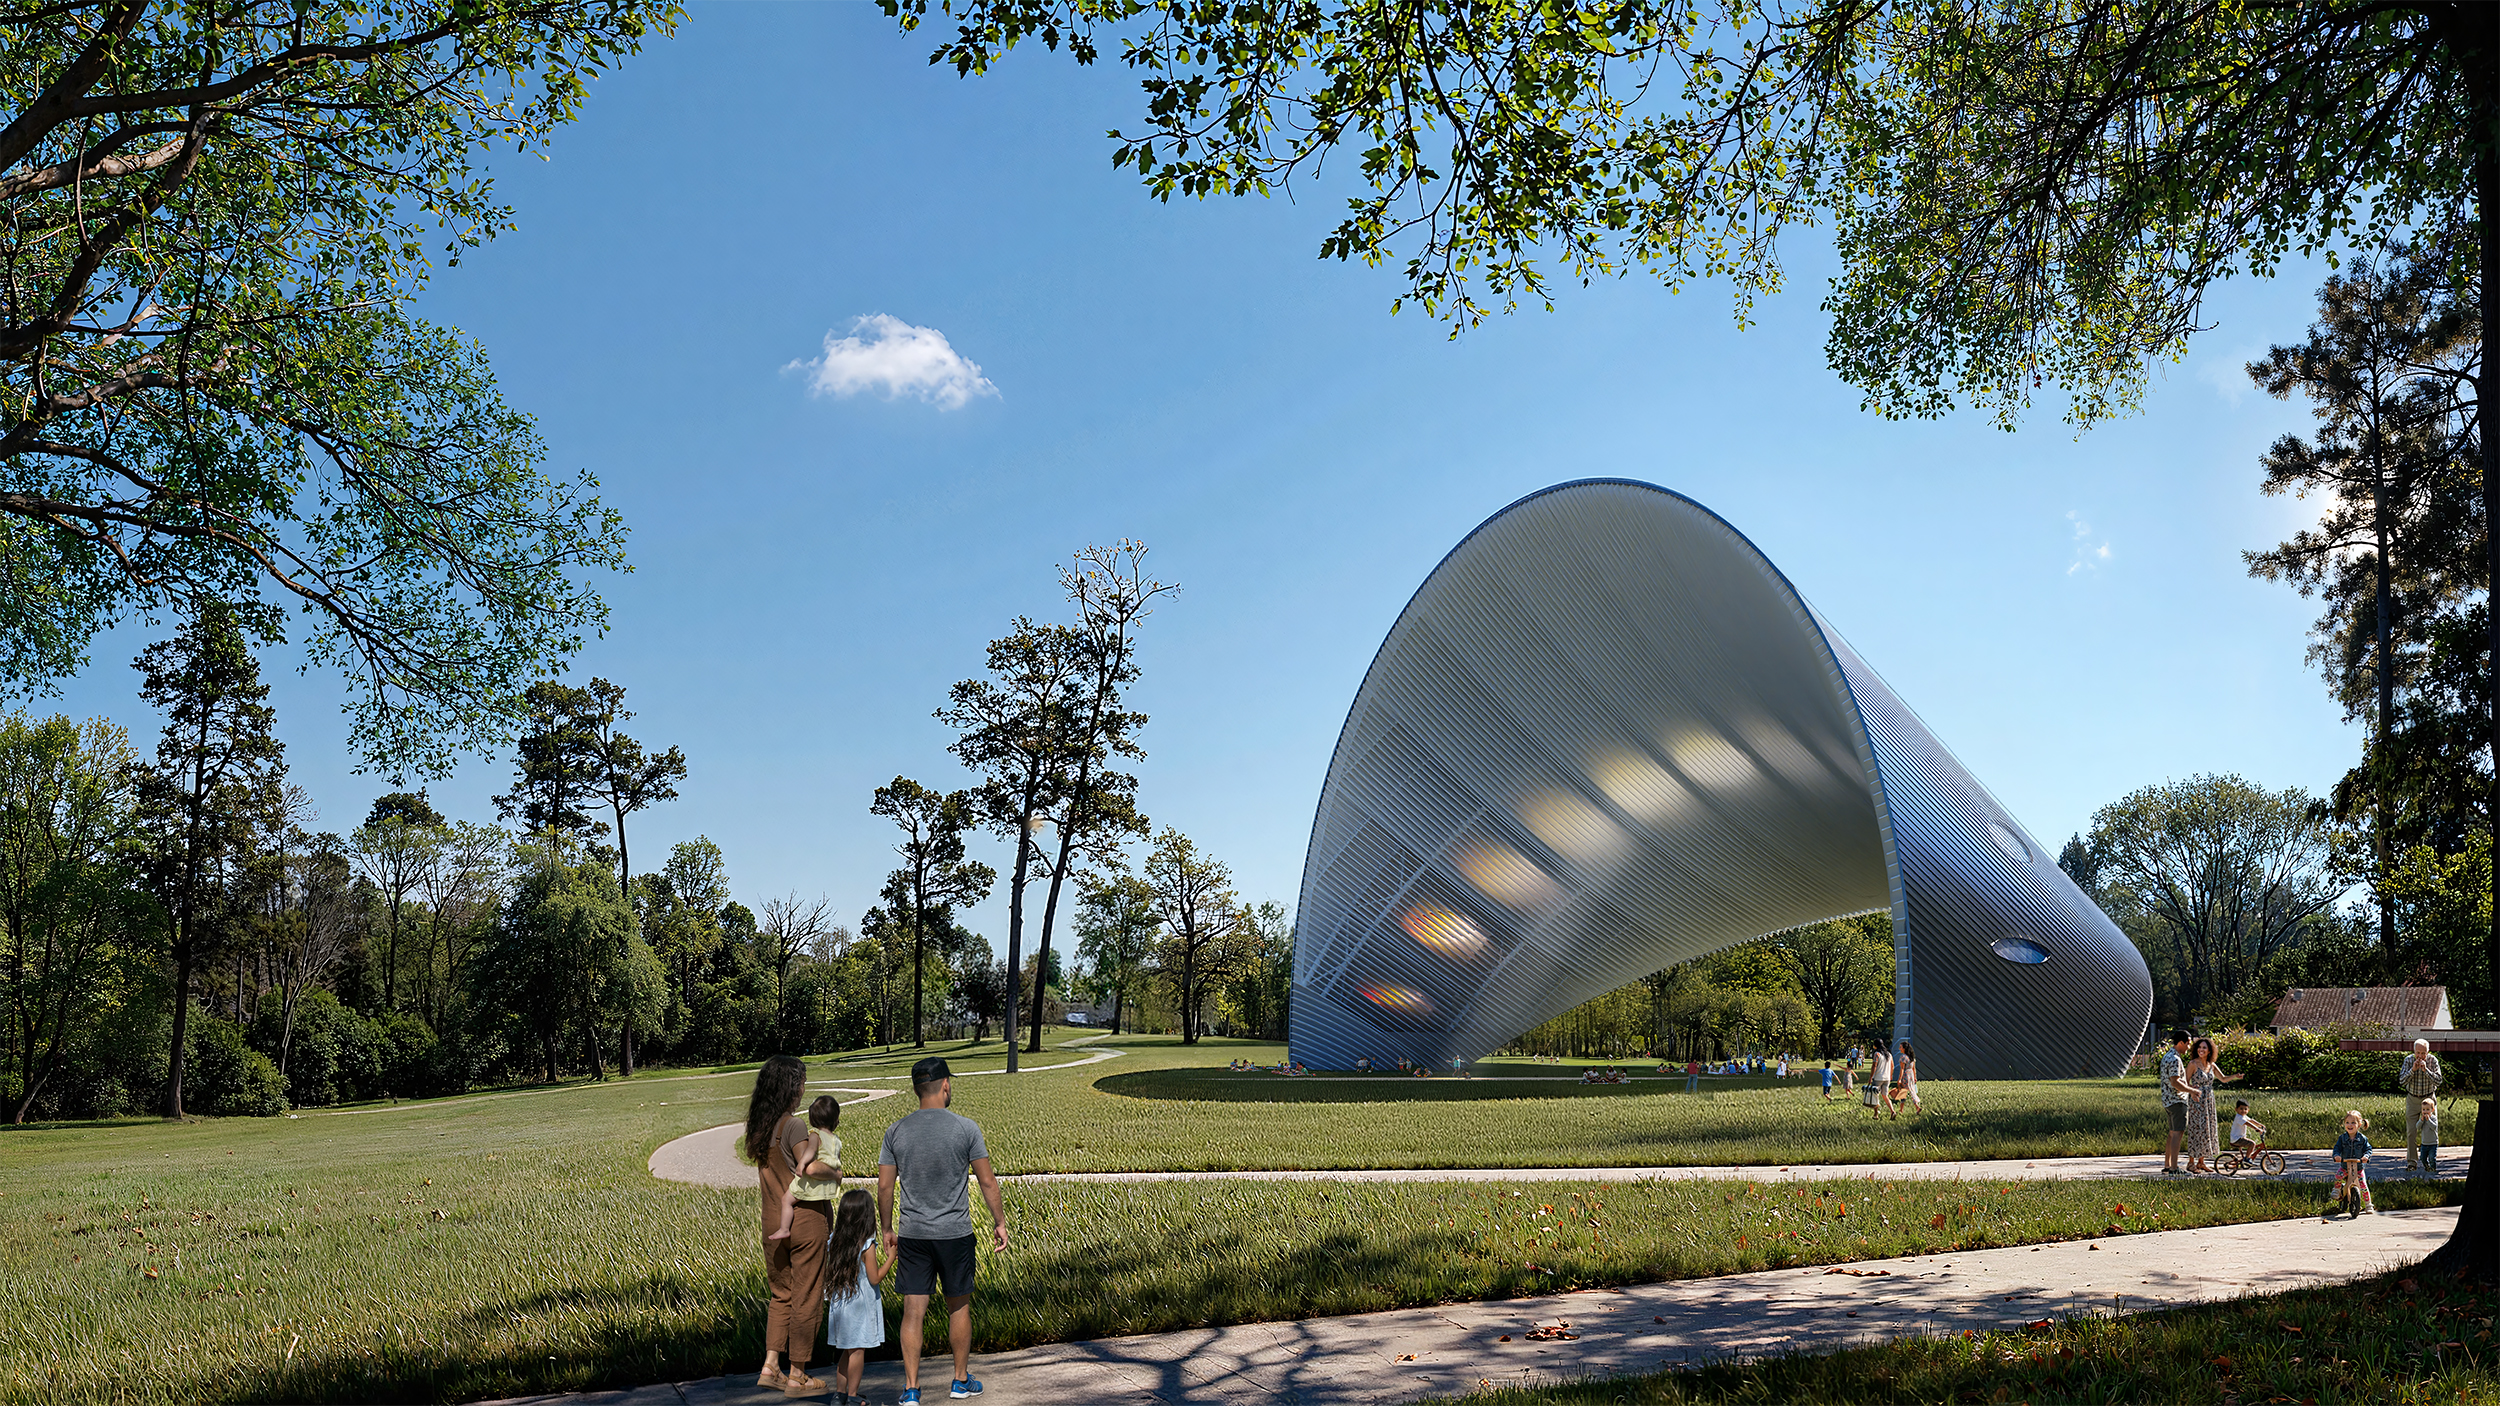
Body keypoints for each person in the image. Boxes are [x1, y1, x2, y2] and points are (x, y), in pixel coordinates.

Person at [879, 1056, 1011, 1405]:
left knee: (913, 1311)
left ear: (916, 1090)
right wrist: (999, 1222)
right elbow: (987, 1181)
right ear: (945, 1086)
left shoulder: (896, 1131)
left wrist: (887, 1228)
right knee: (958, 1307)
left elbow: (885, 1187)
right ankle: (960, 1381)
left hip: (913, 1234)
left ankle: (911, 1389)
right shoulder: (966, 1128)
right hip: (955, 1234)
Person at [743, 1055, 830, 1396]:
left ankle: (770, 1366)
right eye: (802, 1083)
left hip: (773, 1222)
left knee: (781, 1295)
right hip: (805, 1221)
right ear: (791, 1087)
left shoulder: (760, 1128)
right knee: (806, 1296)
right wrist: (835, 1171)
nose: (804, 1089)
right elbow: (809, 1169)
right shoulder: (792, 1126)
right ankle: (798, 1374)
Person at [822, 1188, 893, 1406]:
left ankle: (839, 1395)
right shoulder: (866, 1244)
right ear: (867, 1216)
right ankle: (853, 1396)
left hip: (841, 1305)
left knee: (846, 1350)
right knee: (857, 1351)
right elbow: (874, 1278)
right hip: (859, 1306)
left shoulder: (834, 1240)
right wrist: (892, 1258)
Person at [766, 1094, 844, 1241]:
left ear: (812, 1119)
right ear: (836, 1121)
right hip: (828, 1183)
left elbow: (811, 1150)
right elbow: (837, 1161)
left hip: (812, 1183)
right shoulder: (836, 1140)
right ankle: (829, 1230)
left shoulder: (815, 1135)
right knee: (827, 1204)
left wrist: (802, 1163)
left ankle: (784, 1229)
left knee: (786, 1200)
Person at [2182, 1037, 2241, 1174]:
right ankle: (2191, 1163)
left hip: (2209, 1101)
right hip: (2197, 1100)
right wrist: (2191, 1091)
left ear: (2210, 1051)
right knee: (2196, 1130)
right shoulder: (2193, 1064)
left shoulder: (2211, 1065)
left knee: (2207, 1130)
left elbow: (2223, 1079)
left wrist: (2235, 1076)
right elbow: (2184, 1081)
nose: (2201, 1050)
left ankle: (2201, 1162)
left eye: (2204, 1048)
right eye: (2199, 1047)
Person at [2402, 1038, 2443, 1172]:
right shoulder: (2408, 1060)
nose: (2420, 1056)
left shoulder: (2433, 1061)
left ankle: (2431, 1162)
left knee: (2431, 1129)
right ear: (2414, 1051)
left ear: (2428, 1052)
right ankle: (2412, 1163)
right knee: (2411, 1132)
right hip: (2413, 1098)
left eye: (2423, 1053)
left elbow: (2438, 1081)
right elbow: (2402, 1080)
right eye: (2418, 1053)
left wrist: (2426, 1071)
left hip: (2429, 1098)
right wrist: (2412, 1070)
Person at [2328, 1110, 2376, 1217]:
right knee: (2338, 1175)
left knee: (2363, 1185)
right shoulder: (2342, 1138)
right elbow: (2337, 1148)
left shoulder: (2362, 1139)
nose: (2350, 1125)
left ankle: (2368, 1205)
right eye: (2347, 1122)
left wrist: (2366, 1157)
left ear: (2359, 1124)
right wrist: (2336, 1156)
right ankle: (2337, 1190)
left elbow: (2368, 1149)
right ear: (2344, 1124)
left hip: (2358, 1167)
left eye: (2353, 1123)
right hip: (2345, 1166)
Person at [2157, 1029, 2191, 1174]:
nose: (2189, 1047)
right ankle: (2174, 1168)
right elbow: (2175, 1082)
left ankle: (2167, 1165)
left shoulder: (2167, 1056)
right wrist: (2192, 1090)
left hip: (2168, 1101)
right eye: (2188, 1043)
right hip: (2177, 1101)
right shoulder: (2175, 1059)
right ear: (2181, 1043)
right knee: (2178, 1133)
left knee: (2172, 1133)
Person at [2417, 1097, 2441, 1179]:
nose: (2425, 1111)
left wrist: (2428, 1120)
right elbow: (2418, 1127)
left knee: (2432, 1158)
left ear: (2432, 1110)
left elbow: (2434, 1127)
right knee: (2422, 1158)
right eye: (2423, 1109)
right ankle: (2427, 1167)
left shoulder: (2433, 1118)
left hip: (2433, 1143)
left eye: (2427, 1109)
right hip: (2424, 1143)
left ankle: (2433, 1169)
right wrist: (2421, 1121)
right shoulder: (2422, 1119)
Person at [1894, 1041, 1921, 1116]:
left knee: (1903, 1091)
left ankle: (1916, 1107)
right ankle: (1902, 1109)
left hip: (1905, 1075)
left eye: (1900, 1047)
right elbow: (1914, 1069)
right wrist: (1915, 1077)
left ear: (1904, 1048)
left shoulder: (1903, 1057)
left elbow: (1902, 1069)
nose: (1899, 1048)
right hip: (1911, 1075)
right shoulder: (1911, 1057)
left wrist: (1899, 1079)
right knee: (1912, 1091)